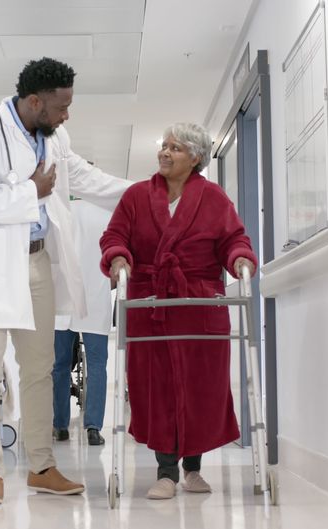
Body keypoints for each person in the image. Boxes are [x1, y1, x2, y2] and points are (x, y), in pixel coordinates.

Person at [0, 57, 130, 505]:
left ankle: (41, 466)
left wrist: (139, 190)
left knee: (39, 369)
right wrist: (30, 191)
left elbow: (82, 176)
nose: (67, 114)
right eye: (61, 106)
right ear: (35, 101)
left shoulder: (55, 136)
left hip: (36, 264)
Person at [100, 122, 258, 500]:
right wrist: (118, 258)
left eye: (175, 148)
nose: (165, 153)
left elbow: (234, 238)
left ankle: (194, 469)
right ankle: (166, 472)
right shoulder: (137, 196)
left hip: (198, 303)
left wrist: (240, 260)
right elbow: (114, 236)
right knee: (156, 389)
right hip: (151, 304)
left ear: (196, 158)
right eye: (164, 146)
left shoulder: (215, 198)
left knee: (201, 387)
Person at [51, 199, 115, 446]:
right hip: (94, 298)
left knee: (60, 365)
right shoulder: (107, 212)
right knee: (98, 364)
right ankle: (93, 428)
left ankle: (59, 426)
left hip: (61, 295)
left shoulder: (56, 209)